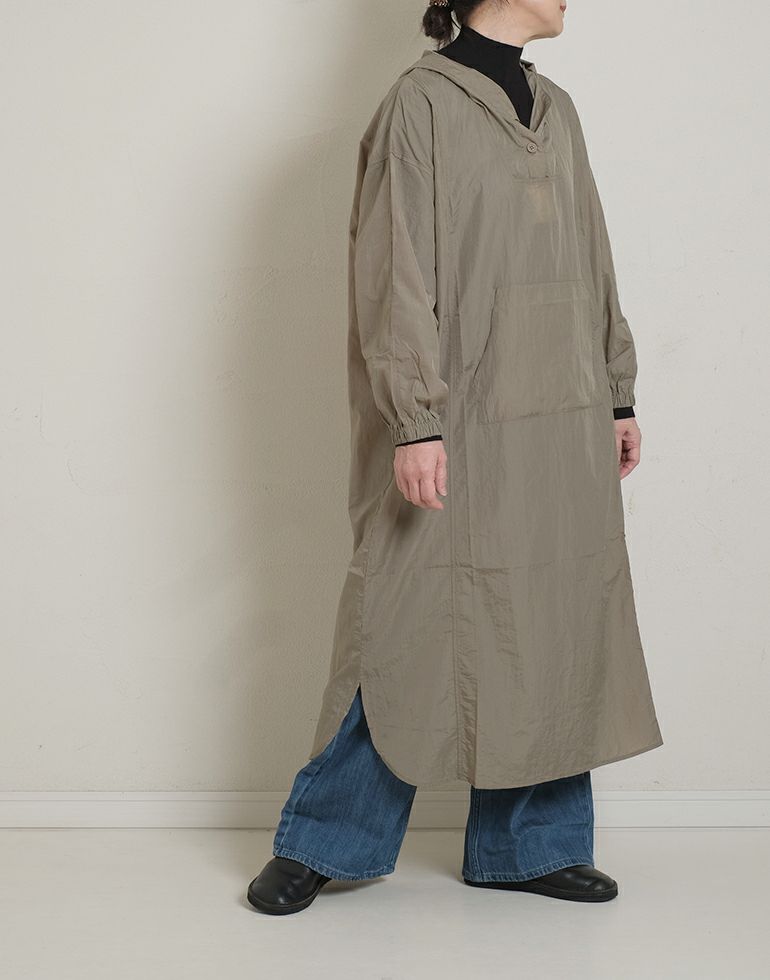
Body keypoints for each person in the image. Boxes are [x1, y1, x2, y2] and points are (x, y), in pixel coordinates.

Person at [247, 0, 663, 915]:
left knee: (549, 617)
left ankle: (529, 848)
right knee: (405, 615)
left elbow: (591, 255)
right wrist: (416, 420)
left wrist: (616, 390)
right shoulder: (422, 104)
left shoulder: (558, 110)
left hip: (562, 415)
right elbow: (395, 267)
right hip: (460, 414)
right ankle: (326, 840)